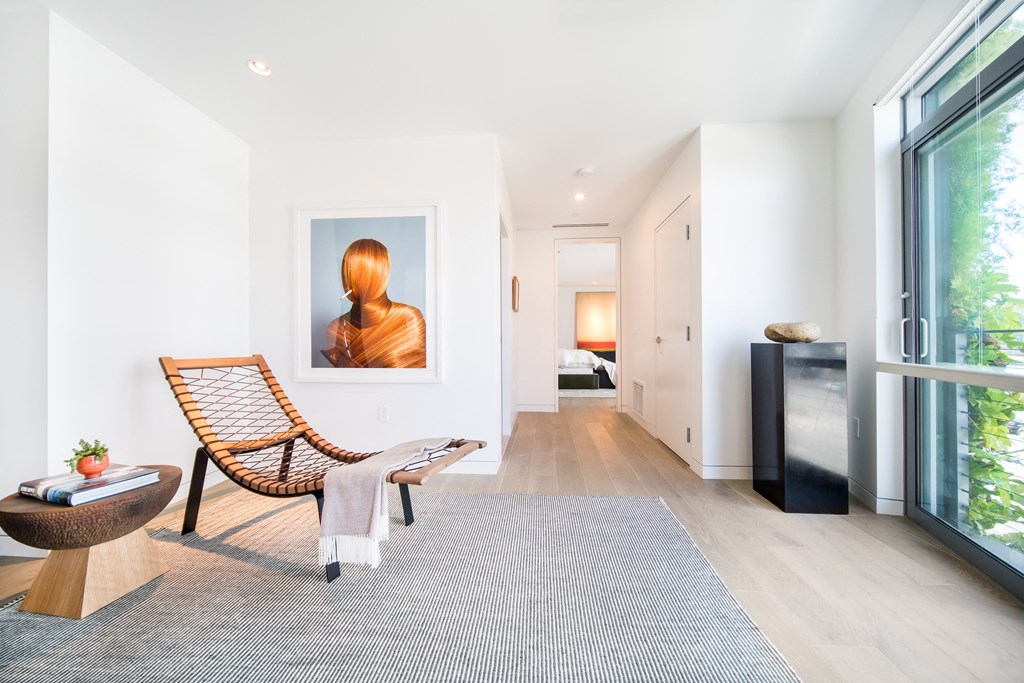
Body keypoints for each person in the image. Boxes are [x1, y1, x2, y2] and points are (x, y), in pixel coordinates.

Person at [322, 238, 426, 368]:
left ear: (379, 274)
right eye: (346, 272)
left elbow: (420, 375)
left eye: (355, 273)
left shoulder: (408, 318)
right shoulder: (336, 328)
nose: (347, 281)